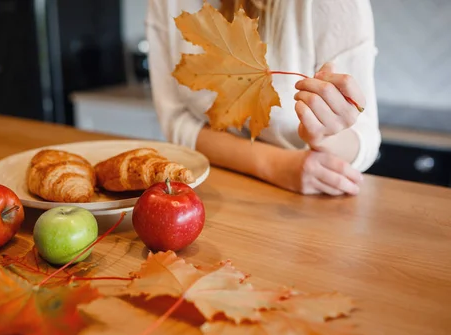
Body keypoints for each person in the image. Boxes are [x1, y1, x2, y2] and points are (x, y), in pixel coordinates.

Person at [146, 0, 381, 196]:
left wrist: (325, 137)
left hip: (309, 209)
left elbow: (365, 137)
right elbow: (175, 120)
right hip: (210, 188)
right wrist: (274, 165)